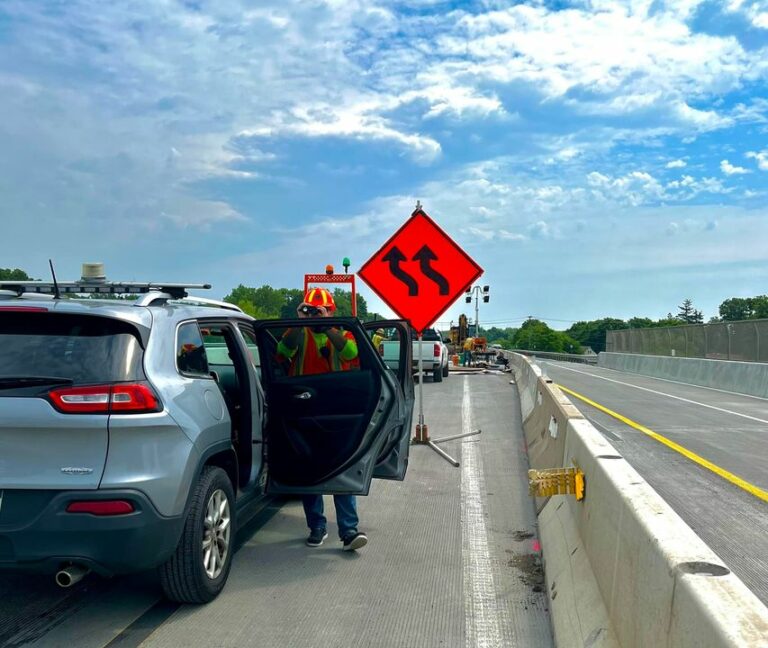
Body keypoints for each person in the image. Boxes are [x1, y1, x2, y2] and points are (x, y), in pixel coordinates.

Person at [276, 287, 368, 551]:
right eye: (310, 310)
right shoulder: (298, 332)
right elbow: (283, 350)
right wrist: (299, 322)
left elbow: (350, 353)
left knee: (342, 468)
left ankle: (349, 531)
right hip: (305, 409)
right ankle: (317, 526)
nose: (315, 315)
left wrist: (326, 326)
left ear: (331, 312)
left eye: (321, 311)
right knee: (309, 472)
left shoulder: (343, 332)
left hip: (335, 410)